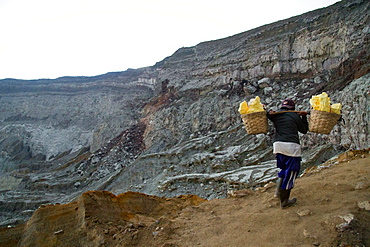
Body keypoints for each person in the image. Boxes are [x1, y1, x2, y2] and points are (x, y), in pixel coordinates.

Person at [267, 98, 308, 209]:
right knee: (291, 173)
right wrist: (303, 116)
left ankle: (277, 193)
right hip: (291, 148)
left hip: (278, 146)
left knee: (283, 169)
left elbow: (267, 114)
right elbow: (304, 130)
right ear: (293, 108)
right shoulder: (295, 116)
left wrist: (268, 112)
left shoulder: (276, 115)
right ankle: (284, 202)